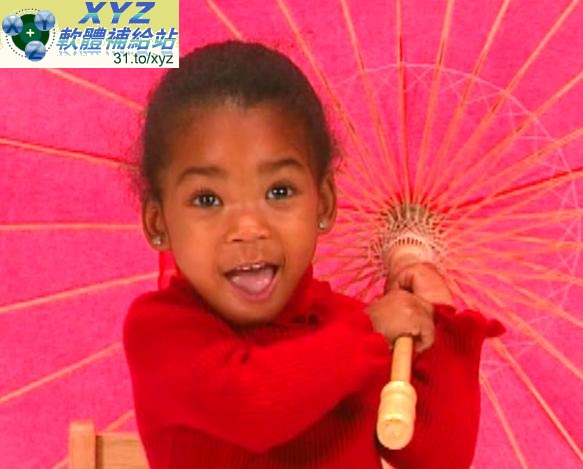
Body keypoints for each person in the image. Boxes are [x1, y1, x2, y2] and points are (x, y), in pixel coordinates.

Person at [123, 40, 504, 469]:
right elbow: (252, 405)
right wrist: (370, 333)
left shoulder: (347, 326)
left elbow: (438, 458)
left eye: (279, 191)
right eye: (207, 199)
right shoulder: (160, 332)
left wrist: (436, 318)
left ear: (322, 204)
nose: (248, 227)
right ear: (158, 222)